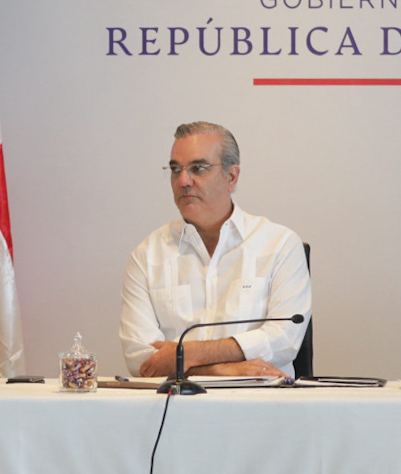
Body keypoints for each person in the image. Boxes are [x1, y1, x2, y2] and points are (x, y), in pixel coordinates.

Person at [119, 122, 311, 378]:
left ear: (231, 177)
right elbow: (140, 358)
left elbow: (284, 339)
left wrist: (186, 354)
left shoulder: (280, 245)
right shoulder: (147, 255)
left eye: (198, 168)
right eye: (175, 169)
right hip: (175, 401)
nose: (183, 181)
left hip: (261, 400)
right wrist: (224, 369)